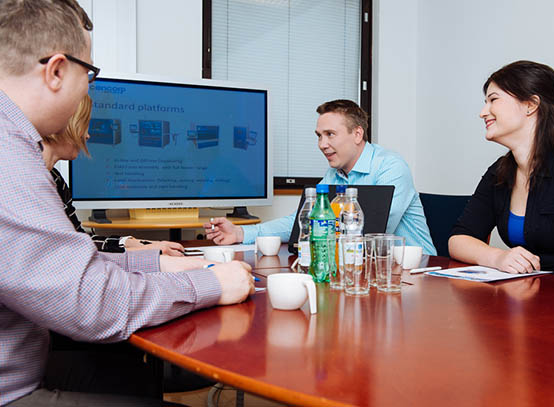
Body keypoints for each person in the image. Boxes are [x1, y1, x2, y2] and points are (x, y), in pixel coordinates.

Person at [0, 1, 254, 406]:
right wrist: (212, 284)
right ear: (57, 71)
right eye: (90, 74)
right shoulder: (10, 160)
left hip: (30, 362)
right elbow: (91, 300)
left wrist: (154, 263)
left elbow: (61, 267)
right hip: (14, 392)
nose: (88, 90)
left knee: (135, 373)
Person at [205, 99, 437, 255]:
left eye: (330, 134)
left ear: (357, 134)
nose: (322, 144)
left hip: (418, 273)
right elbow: (304, 220)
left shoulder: (391, 167)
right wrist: (241, 233)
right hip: (362, 269)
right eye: (319, 135)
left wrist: (318, 228)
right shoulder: (334, 174)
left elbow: (373, 231)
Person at [449, 60, 554, 283]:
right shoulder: (500, 172)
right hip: (526, 296)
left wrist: (549, 305)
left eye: (493, 100)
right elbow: (458, 239)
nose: (483, 112)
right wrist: (498, 257)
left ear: (530, 105)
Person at [44, 95, 185, 256]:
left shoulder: (56, 180)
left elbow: (80, 241)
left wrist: (133, 243)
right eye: (84, 124)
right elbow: (69, 250)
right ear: (64, 122)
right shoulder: (28, 182)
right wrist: (139, 252)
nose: (87, 135)